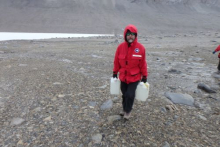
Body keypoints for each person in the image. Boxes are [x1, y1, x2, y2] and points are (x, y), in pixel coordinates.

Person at [112, 24, 148, 120]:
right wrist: (115, 72)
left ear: (135, 35)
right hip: (123, 76)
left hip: (134, 77)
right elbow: (116, 61)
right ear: (125, 35)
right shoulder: (120, 47)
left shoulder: (140, 48)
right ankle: (124, 109)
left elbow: (143, 63)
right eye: (128, 34)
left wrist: (144, 76)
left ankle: (128, 111)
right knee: (124, 93)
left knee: (130, 94)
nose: (130, 36)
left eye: (132, 34)